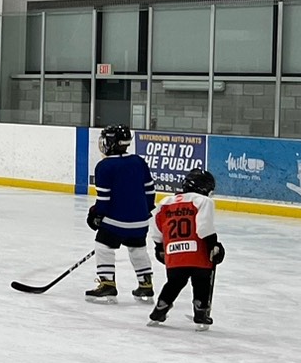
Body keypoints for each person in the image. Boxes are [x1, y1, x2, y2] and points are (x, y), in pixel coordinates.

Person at [86, 124, 156, 302]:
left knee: (103, 245)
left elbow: (104, 200)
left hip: (116, 223)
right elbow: (150, 192)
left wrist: (96, 215)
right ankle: (145, 284)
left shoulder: (104, 166)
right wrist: (144, 211)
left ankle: (108, 284)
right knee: (138, 248)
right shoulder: (139, 161)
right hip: (141, 221)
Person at [151, 168, 222, 329]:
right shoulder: (203, 201)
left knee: (174, 282)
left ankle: (160, 308)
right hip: (198, 252)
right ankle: (201, 312)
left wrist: (159, 248)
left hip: (174, 252)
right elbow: (204, 228)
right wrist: (214, 245)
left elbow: (157, 229)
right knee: (202, 282)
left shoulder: (165, 202)